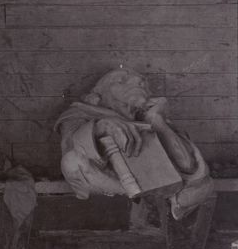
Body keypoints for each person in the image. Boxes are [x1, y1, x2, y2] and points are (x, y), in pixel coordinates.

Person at [55, 66, 213, 219]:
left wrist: (157, 120)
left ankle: (149, 193)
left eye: (142, 82)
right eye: (121, 80)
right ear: (98, 96)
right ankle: (139, 193)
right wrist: (101, 127)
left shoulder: (149, 118)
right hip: (108, 180)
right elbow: (70, 146)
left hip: (159, 181)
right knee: (71, 162)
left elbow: (189, 167)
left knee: (202, 187)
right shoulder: (80, 112)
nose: (138, 82)